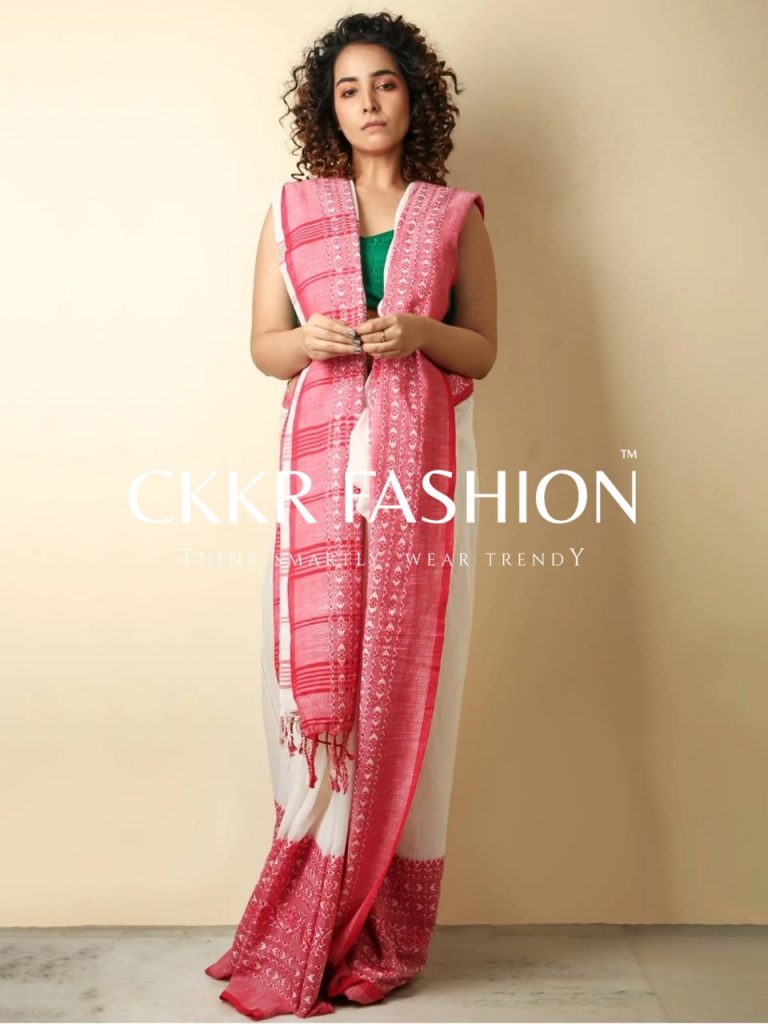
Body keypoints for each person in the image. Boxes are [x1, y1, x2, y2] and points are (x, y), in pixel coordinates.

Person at [205, 11, 497, 1020]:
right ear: (326, 109)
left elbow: (482, 349)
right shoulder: (291, 211)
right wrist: (312, 343)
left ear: (415, 96)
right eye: (347, 89)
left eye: (384, 84)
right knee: (319, 686)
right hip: (321, 487)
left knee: (408, 681)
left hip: (419, 488)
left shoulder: (454, 216)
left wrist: (418, 330)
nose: (367, 103)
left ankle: (385, 929)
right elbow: (265, 346)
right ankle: (308, 907)